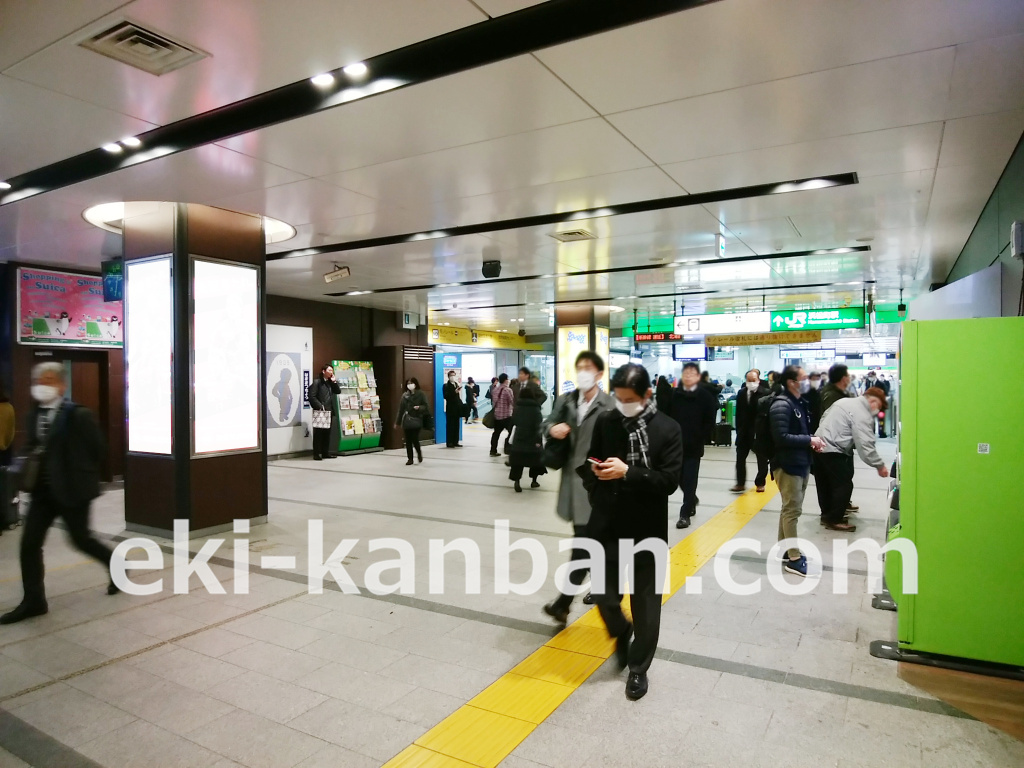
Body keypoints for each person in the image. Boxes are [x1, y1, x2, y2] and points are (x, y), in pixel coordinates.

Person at [582, 363, 682, 700]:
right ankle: (621, 631)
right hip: (608, 522)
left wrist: (629, 472)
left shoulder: (668, 429)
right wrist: (595, 476)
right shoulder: (607, 421)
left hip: (647, 528)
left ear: (647, 395)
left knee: (646, 605)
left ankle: (638, 669)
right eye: (619, 398)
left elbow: (669, 482)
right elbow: (589, 461)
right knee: (604, 595)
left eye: (629, 399)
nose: (621, 405)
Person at [1, 363, 118, 625]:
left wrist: (77, 472)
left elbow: (98, 449)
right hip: (42, 493)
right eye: (39, 380)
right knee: (29, 545)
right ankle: (34, 602)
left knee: (81, 540)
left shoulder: (78, 415)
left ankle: (116, 566)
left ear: (62, 385)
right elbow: (32, 445)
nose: (43, 384)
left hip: (72, 491)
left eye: (49, 380)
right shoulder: (34, 415)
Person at [542, 351, 614, 623]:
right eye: (579, 367)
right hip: (573, 484)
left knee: (584, 542)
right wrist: (552, 429)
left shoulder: (610, 404)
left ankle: (564, 602)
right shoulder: (567, 400)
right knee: (589, 540)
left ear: (599, 374)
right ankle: (602, 590)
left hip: (599, 484)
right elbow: (546, 421)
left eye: (589, 367)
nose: (583, 372)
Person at [770, 365, 826, 578]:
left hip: (799, 462)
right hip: (787, 464)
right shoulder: (782, 405)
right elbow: (781, 437)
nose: (808, 381)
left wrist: (811, 441)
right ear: (792, 382)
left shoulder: (798, 402)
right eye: (803, 378)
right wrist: (809, 439)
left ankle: (784, 549)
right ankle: (794, 559)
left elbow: (797, 432)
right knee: (792, 510)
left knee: (789, 508)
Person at [814, 387, 890, 531]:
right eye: (878, 406)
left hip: (819, 446)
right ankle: (835, 519)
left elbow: (823, 418)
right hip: (835, 450)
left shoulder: (843, 401)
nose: (876, 410)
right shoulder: (862, 413)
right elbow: (865, 444)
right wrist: (879, 465)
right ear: (872, 400)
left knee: (824, 484)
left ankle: (826, 515)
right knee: (843, 485)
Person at [670, 363, 718, 529]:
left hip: (693, 446)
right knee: (677, 479)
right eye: (686, 374)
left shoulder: (705, 396)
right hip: (675, 446)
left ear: (698, 377)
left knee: (690, 479)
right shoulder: (675, 395)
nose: (688, 376)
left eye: (692, 374)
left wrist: (700, 437)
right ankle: (692, 499)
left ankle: (684, 514)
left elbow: (710, 421)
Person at [817, 364, 859, 516]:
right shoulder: (832, 395)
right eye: (848, 376)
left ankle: (840, 505)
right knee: (838, 481)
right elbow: (837, 422)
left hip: (838, 444)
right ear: (843, 378)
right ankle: (832, 515)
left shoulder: (838, 393)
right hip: (833, 445)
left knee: (841, 479)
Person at [731, 369, 770, 493]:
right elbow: (738, 414)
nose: (751, 382)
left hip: (759, 433)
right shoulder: (741, 393)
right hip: (744, 432)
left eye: (753, 380)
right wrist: (738, 430)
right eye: (749, 380)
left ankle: (760, 483)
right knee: (740, 459)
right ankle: (740, 483)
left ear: (758, 380)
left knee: (762, 460)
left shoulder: (765, 393)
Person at [508, 386, 547, 492]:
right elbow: (539, 426)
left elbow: (514, 421)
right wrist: (539, 441)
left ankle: (517, 481)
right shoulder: (536, 408)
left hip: (519, 438)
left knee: (517, 462)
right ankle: (534, 481)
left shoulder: (517, 408)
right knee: (535, 461)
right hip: (532, 438)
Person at [308, 363, 342, 460]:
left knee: (327, 433)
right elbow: (312, 396)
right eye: (329, 370)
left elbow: (338, 391)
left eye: (332, 370)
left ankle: (325, 452)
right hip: (320, 411)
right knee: (319, 433)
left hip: (329, 410)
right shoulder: (317, 382)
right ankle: (317, 453)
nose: (331, 372)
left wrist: (334, 382)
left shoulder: (330, 382)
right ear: (323, 371)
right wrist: (319, 406)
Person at [395, 378, 429, 465]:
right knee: (408, 440)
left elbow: (426, 406)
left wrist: (419, 407)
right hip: (407, 420)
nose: (410, 385)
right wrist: (397, 422)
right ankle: (410, 458)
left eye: (411, 383)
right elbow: (401, 409)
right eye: (408, 383)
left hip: (417, 419)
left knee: (414, 439)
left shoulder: (421, 394)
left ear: (415, 384)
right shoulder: (404, 396)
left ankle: (419, 453)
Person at [489, 373, 515, 457]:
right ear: (506, 380)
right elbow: (512, 402)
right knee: (512, 433)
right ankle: (509, 449)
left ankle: (493, 450)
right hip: (506, 416)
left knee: (496, 434)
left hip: (497, 416)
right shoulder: (508, 390)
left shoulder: (495, 390)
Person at [443, 370, 463, 448]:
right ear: (448, 376)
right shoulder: (446, 386)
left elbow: (458, 397)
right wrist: (454, 392)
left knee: (456, 425)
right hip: (450, 408)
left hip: (457, 408)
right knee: (450, 425)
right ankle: (449, 442)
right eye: (451, 375)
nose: (453, 377)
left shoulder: (456, 384)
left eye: (454, 375)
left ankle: (456, 441)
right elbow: (446, 396)